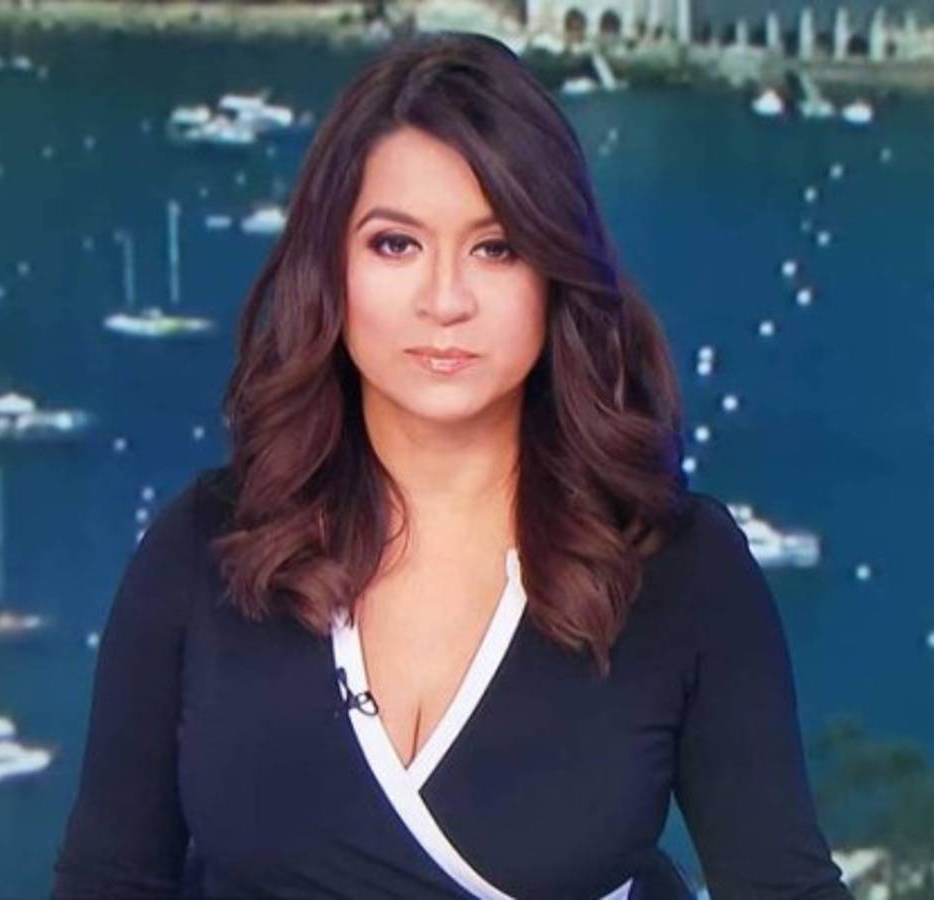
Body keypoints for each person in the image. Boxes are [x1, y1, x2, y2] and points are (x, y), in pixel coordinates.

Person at [52, 31, 853, 900]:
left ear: (555, 274)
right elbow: (107, 880)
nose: (445, 301)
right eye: (395, 244)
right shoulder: (204, 548)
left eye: (496, 248)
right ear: (330, 267)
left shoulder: (678, 569)